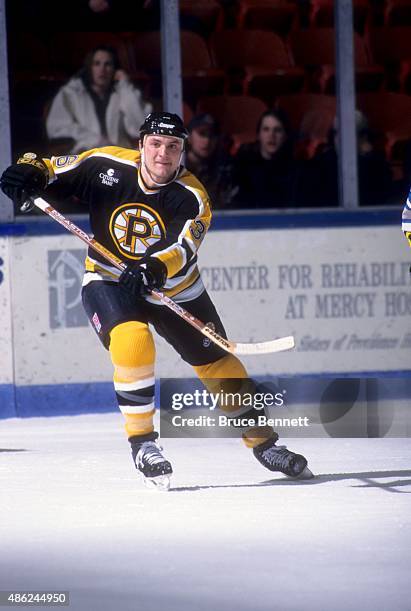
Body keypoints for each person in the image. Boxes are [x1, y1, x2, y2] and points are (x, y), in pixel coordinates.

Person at [0, 112, 310, 489]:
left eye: (173, 147)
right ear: (141, 144)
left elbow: (182, 247)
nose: (163, 154)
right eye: (156, 144)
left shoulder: (193, 197)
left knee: (221, 367)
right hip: (109, 279)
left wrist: (153, 268)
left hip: (175, 288)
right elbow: (45, 167)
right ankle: (144, 445)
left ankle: (264, 444)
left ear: (183, 153)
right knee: (133, 342)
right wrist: (27, 171)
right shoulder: (106, 164)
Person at [46, 45, 152, 154]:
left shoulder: (121, 92)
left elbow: (140, 126)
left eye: (108, 64)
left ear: (114, 69)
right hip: (84, 156)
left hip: (119, 156)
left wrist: (125, 85)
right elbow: (57, 128)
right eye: (97, 64)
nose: (102, 69)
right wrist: (95, 140)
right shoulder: (71, 92)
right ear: (89, 67)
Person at [299, 110, 393, 207]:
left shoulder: (378, 168)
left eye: (348, 131)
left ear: (362, 137)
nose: (340, 138)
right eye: (336, 132)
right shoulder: (316, 167)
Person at [231, 109, 299, 209]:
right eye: (266, 129)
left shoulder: (296, 170)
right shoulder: (244, 167)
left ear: (285, 136)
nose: (271, 135)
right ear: (259, 135)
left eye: (278, 130)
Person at [185, 113, 235, 209]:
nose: (207, 141)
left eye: (212, 135)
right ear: (190, 137)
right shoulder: (176, 167)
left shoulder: (224, 169)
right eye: (202, 134)